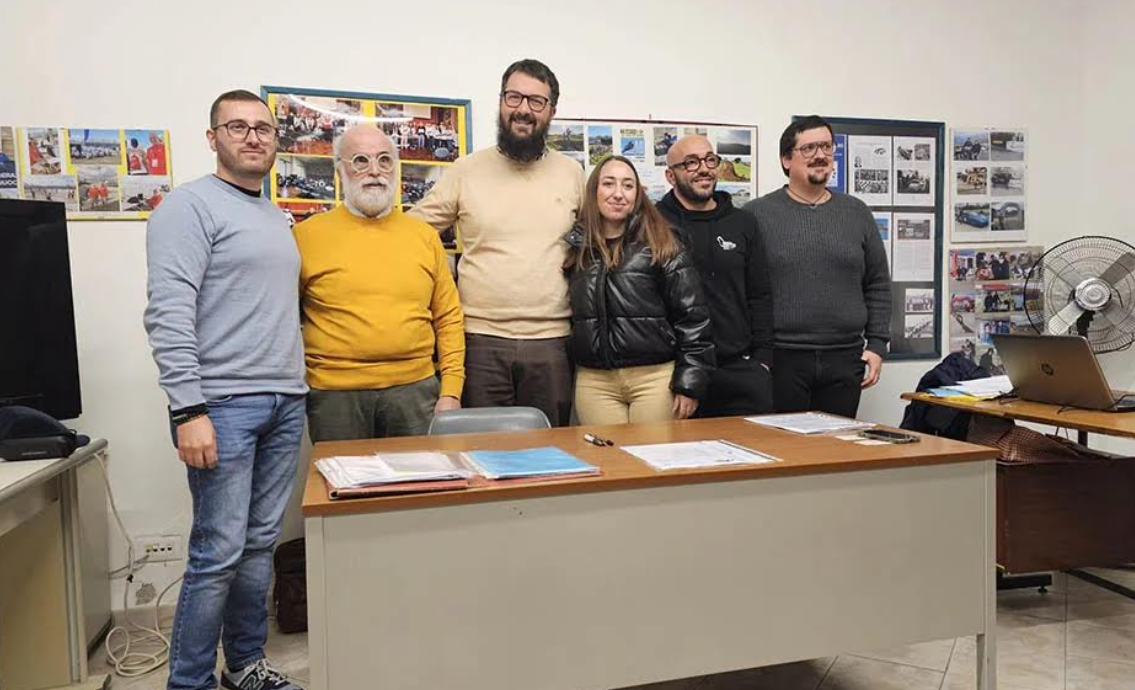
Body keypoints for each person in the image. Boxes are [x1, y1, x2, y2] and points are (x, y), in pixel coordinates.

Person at [144, 89, 306, 690]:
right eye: (237, 127)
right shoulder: (188, 207)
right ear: (212, 138)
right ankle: (190, 682)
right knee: (217, 553)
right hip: (222, 405)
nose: (253, 137)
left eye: (263, 127)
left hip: (285, 399)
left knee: (259, 546)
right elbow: (168, 312)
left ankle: (244, 665)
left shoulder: (273, 215)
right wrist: (187, 409)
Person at [409, 59, 583, 425]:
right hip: (479, 341)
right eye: (514, 97)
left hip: (552, 342)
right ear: (501, 101)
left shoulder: (572, 173)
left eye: (536, 101)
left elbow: (595, 236)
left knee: (548, 450)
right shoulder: (466, 170)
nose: (523, 109)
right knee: (480, 449)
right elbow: (411, 232)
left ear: (552, 111)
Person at [293, 125, 464, 441]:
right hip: (334, 396)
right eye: (361, 160)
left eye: (385, 160)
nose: (375, 171)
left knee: (418, 474)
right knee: (342, 475)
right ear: (339, 170)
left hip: (415, 392)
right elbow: (284, 320)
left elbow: (449, 318)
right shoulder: (306, 237)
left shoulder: (424, 237)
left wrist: (451, 390)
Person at [743, 116, 892, 418]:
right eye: (809, 148)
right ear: (786, 160)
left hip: (845, 357)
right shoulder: (756, 215)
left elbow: (877, 283)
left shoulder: (856, 212)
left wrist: (877, 344)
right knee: (784, 444)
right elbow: (744, 288)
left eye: (826, 146)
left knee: (837, 444)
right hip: (781, 358)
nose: (820, 155)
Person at [564, 156, 714, 424]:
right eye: (608, 184)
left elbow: (693, 317)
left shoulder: (662, 241)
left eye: (628, 185)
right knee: (606, 452)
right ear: (594, 190)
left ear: (637, 195)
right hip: (595, 383)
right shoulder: (578, 247)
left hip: (654, 380)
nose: (618, 194)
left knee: (652, 451)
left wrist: (690, 383)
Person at [657, 134, 774, 416]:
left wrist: (763, 360)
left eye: (710, 160)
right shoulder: (655, 223)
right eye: (691, 162)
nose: (704, 169)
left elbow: (759, 294)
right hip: (678, 373)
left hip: (740, 370)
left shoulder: (743, 222)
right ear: (670, 176)